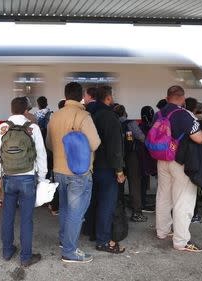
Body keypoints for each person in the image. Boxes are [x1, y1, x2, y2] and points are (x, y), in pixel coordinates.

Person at [46, 82, 101, 263]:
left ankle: (64, 240)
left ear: (66, 95)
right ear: (81, 96)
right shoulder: (83, 116)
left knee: (64, 208)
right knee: (76, 213)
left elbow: (49, 145)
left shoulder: (55, 115)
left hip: (58, 170)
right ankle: (70, 251)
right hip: (78, 172)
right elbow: (95, 144)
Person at [0, 97, 47, 267]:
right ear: (26, 111)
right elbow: (41, 155)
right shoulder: (33, 128)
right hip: (27, 178)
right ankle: (26, 257)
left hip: (8, 177)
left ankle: (7, 251)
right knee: (26, 219)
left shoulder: (2, 128)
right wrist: (42, 178)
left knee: (8, 215)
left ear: (11, 109)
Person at [155, 85, 202, 252]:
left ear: (167, 96)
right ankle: (181, 241)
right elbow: (199, 138)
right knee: (183, 199)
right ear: (183, 98)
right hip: (179, 161)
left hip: (162, 158)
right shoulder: (183, 115)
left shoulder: (159, 113)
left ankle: (162, 231)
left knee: (163, 195)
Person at [92, 85, 126, 254]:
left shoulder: (93, 114)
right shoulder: (109, 117)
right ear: (108, 97)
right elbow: (115, 147)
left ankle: (94, 233)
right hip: (107, 168)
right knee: (107, 204)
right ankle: (103, 241)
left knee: (96, 201)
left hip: (93, 166)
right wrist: (119, 170)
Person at [113, 104, 147, 222]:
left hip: (117, 157)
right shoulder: (131, 123)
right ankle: (136, 213)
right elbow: (142, 138)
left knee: (118, 185)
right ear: (124, 113)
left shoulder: (113, 124)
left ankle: (119, 211)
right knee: (134, 184)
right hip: (132, 157)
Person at [138, 106, 157, 213]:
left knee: (143, 182)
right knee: (143, 182)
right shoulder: (146, 128)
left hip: (146, 159)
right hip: (144, 159)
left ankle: (143, 203)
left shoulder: (141, 126)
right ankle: (142, 204)